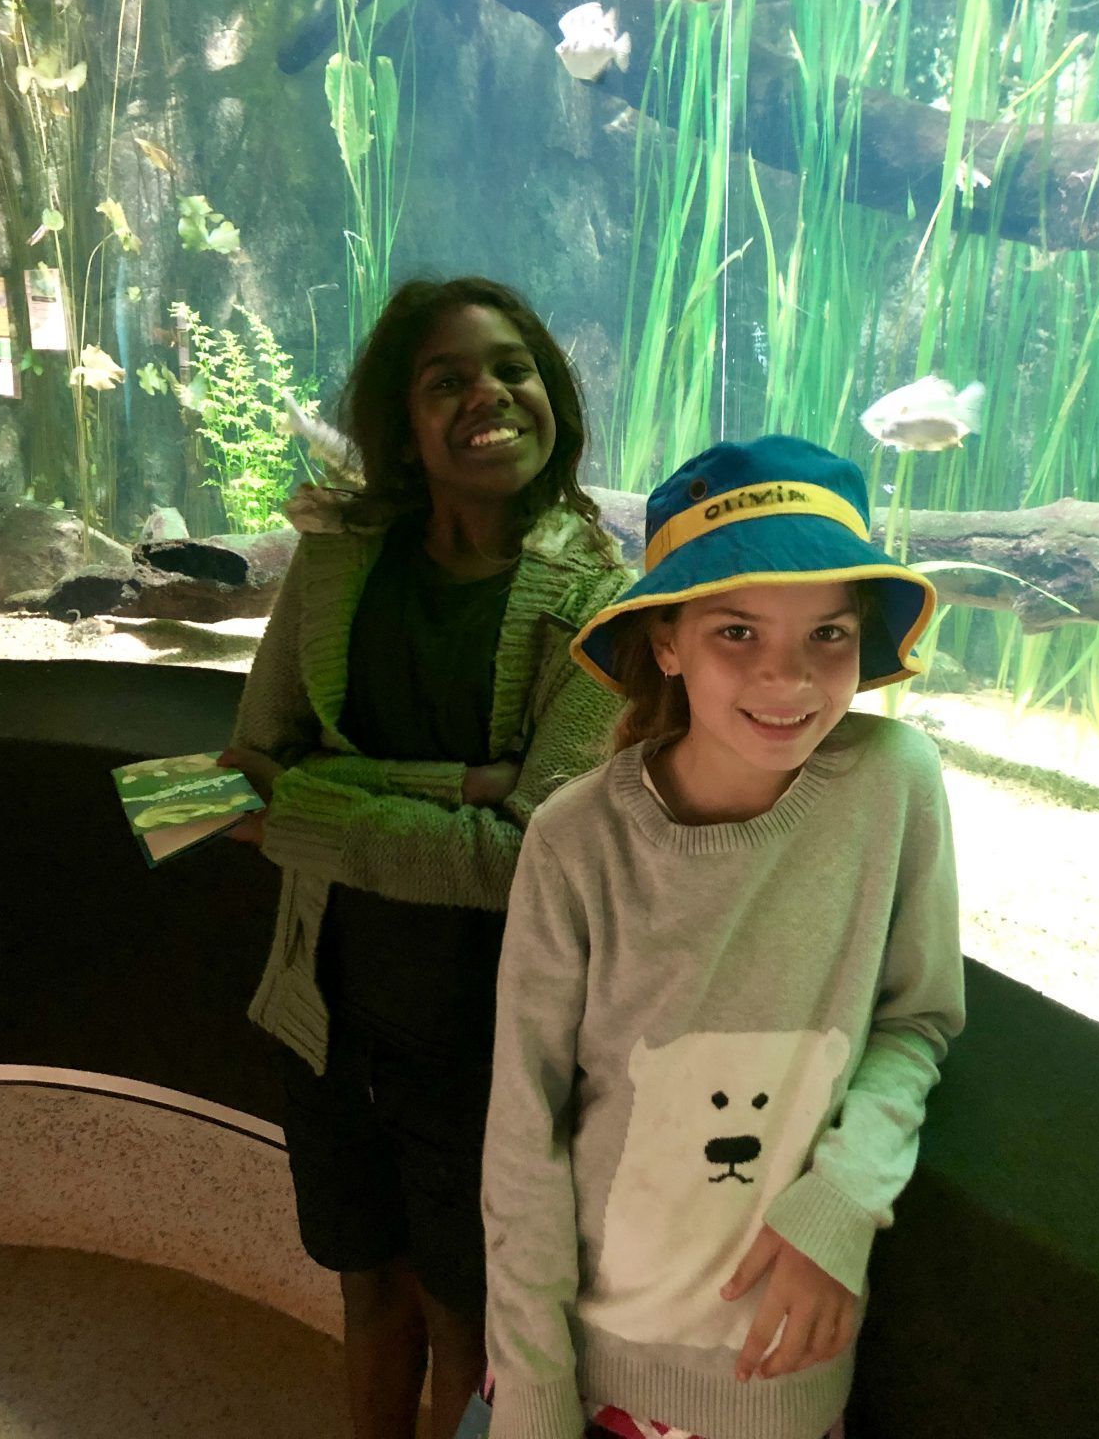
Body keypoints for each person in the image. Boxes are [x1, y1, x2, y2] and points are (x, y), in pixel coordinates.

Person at [481, 432, 966, 1439]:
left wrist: (841, 1207)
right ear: (665, 640)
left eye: (828, 635)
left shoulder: (896, 783)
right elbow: (526, 1133)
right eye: (737, 633)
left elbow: (915, 1024)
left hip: (777, 1379)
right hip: (577, 1363)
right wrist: (531, 1394)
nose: (787, 678)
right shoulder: (575, 839)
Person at [220, 277, 630, 1439]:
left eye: (513, 369)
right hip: (325, 1002)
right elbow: (255, 756)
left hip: (485, 1042)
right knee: (366, 1281)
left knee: (467, 1317)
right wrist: (458, 788)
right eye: (446, 379)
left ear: (553, 393)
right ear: (402, 423)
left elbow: (525, 861)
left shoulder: (604, 602)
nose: (489, 396)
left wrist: (309, 813)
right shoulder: (340, 557)